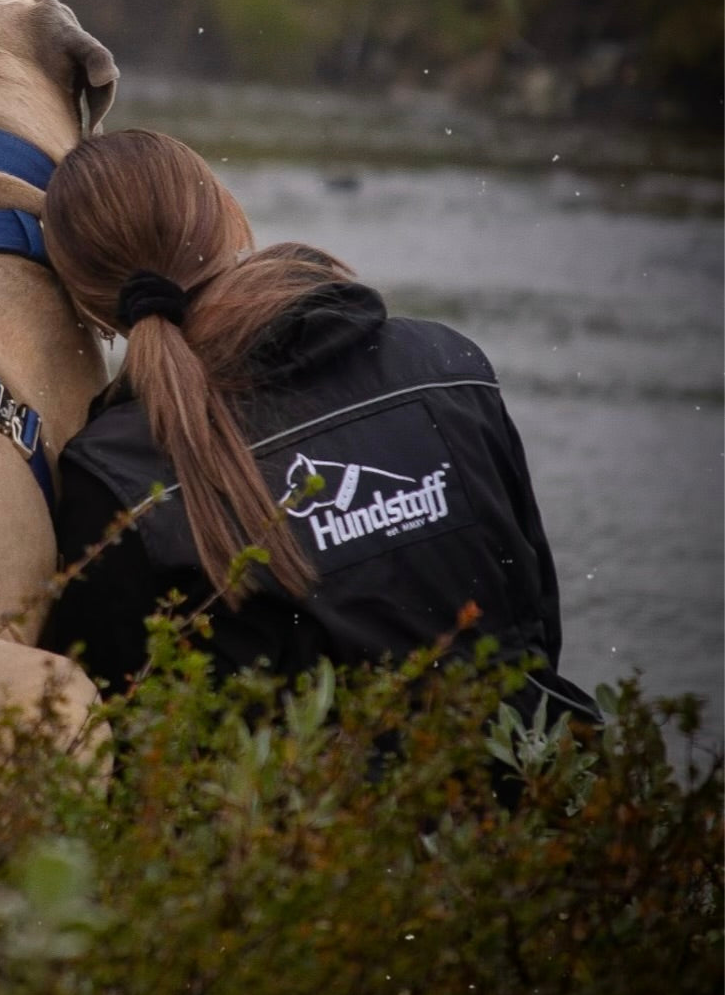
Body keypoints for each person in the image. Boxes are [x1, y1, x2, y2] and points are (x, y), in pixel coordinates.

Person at [37, 128, 599, 734]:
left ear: (87, 307)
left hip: (302, 795)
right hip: (542, 773)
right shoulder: (448, 368)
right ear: (227, 215)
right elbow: (534, 620)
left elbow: (110, 722)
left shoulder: (113, 479)